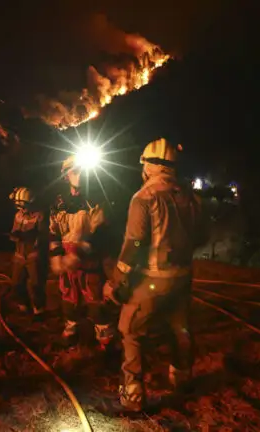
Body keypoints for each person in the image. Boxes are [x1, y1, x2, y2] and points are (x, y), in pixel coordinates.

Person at [103, 138, 206, 412]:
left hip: (152, 280)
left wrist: (117, 281)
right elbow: (202, 236)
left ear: (150, 165)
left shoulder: (144, 198)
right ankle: (181, 379)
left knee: (131, 330)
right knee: (180, 328)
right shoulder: (191, 196)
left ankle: (133, 396)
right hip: (183, 277)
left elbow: (135, 243)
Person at [49, 155, 116, 348]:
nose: (79, 176)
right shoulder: (58, 203)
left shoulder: (97, 202)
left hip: (91, 262)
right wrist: (56, 256)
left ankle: (104, 334)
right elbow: (53, 231)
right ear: (66, 175)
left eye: (83, 172)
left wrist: (79, 253)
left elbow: (101, 234)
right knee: (69, 296)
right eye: (75, 171)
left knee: (95, 298)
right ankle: (72, 325)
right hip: (69, 263)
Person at [8, 186, 47, 320]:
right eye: (19, 205)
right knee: (16, 283)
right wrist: (14, 236)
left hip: (33, 255)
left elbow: (42, 236)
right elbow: (13, 232)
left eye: (23, 205)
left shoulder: (39, 215)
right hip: (19, 255)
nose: (21, 208)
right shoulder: (18, 215)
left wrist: (31, 238)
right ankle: (23, 305)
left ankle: (39, 309)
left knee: (36, 284)